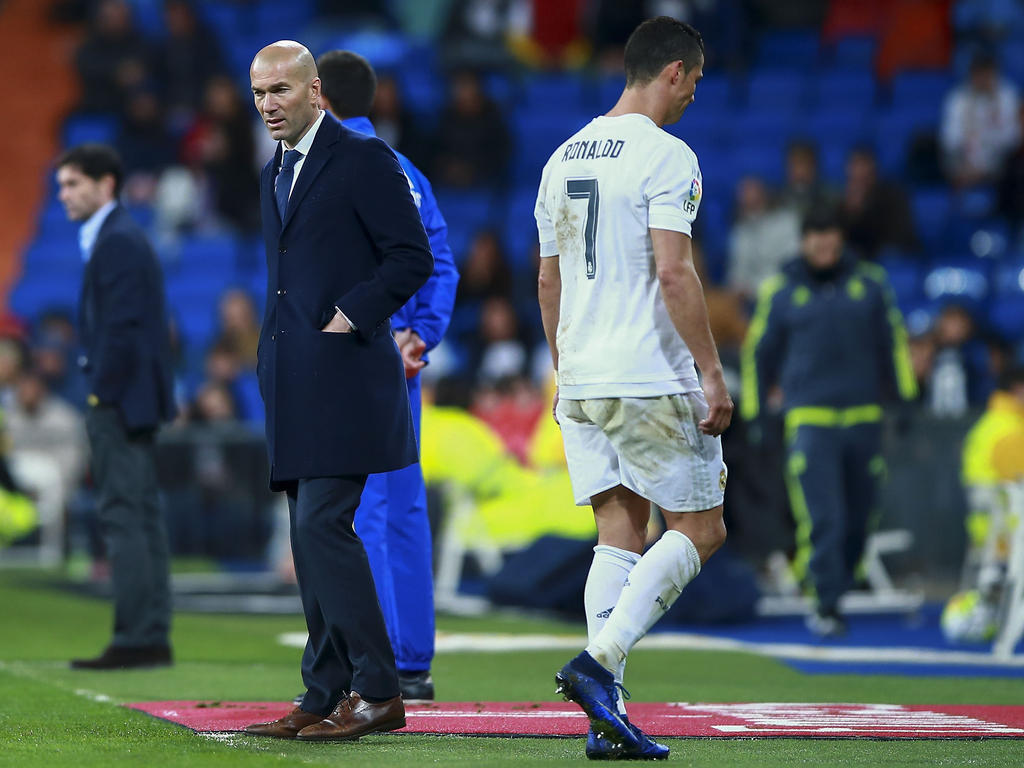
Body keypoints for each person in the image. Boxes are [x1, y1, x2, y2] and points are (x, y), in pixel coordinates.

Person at [536, 17, 732, 760]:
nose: (693, 97)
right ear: (675, 71)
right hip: (646, 374)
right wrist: (710, 371)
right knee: (702, 529)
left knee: (619, 534)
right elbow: (675, 272)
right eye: (696, 82)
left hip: (580, 373)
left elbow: (548, 278)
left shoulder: (561, 158)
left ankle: (603, 720)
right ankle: (597, 666)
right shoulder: (666, 156)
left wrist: (566, 367)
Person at [241, 42, 432, 742]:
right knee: (309, 534)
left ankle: (379, 689)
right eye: (259, 93)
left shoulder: (362, 158)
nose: (267, 105)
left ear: (316, 91)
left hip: (347, 380)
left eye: (280, 90)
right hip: (292, 382)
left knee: (323, 526)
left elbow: (412, 256)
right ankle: (322, 693)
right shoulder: (274, 173)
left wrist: (354, 311)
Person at [314, 48, 460, 701]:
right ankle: (410, 664)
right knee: (401, 508)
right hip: (400, 363)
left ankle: (368, 669)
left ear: (317, 96)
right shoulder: (409, 173)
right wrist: (418, 336)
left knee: (354, 512)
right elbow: (440, 262)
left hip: (352, 358)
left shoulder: (331, 167)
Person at [741, 206, 918, 638]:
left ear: (840, 238)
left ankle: (832, 590)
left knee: (859, 521)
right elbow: (757, 356)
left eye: (830, 234)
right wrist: (757, 414)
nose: (823, 243)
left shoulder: (871, 284)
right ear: (804, 241)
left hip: (863, 419)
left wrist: (906, 399)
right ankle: (825, 602)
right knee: (825, 519)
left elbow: (893, 342)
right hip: (811, 422)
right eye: (815, 235)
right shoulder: (780, 291)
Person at [56, 144, 177, 669]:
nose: (64, 195)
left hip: (121, 401)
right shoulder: (118, 236)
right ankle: (149, 632)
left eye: (74, 184)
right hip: (134, 398)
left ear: (106, 185)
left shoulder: (117, 241)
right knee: (140, 514)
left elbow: (121, 329)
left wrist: (101, 392)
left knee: (124, 514)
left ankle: (136, 637)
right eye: (62, 185)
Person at [941, 52, 1020, 188]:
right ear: (972, 75)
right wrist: (970, 148)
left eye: (988, 75)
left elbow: (1013, 136)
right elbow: (950, 138)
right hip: (965, 158)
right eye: (980, 75)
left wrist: (991, 134)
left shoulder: (1008, 95)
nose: (984, 80)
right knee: (952, 160)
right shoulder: (958, 99)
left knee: (1012, 162)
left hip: (1001, 158)